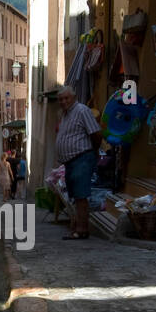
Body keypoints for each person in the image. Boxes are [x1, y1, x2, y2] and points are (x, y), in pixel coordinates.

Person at [55, 84, 102, 240]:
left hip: (82, 158)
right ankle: (78, 227)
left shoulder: (82, 110)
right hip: (71, 161)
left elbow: (96, 133)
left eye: (66, 98)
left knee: (81, 195)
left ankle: (82, 229)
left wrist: (93, 152)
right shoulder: (65, 114)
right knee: (76, 195)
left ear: (73, 97)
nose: (63, 101)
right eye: (60, 99)